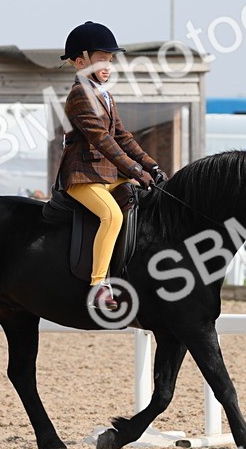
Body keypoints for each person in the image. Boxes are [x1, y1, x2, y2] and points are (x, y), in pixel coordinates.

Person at [57, 21, 167, 312]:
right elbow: (103, 140)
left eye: (110, 59)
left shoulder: (104, 94)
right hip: (83, 176)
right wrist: (134, 170)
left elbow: (122, 136)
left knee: (147, 199)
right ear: (81, 62)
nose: (108, 65)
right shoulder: (80, 94)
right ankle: (98, 285)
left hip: (106, 175)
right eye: (102, 59)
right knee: (111, 216)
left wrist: (150, 166)